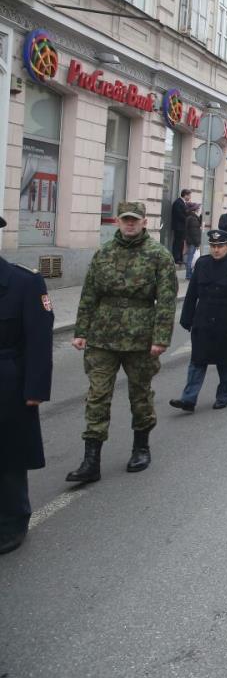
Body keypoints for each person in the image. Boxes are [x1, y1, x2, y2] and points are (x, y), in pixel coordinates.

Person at [67, 201, 177, 482]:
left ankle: (141, 447)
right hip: (102, 337)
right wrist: (81, 331)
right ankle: (91, 460)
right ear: (117, 221)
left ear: (144, 222)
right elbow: (89, 294)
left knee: (140, 396)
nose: (130, 224)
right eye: (125, 219)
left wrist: (161, 338)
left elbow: (165, 301)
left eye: (135, 220)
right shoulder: (103, 253)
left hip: (141, 339)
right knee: (97, 396)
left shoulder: (158, 255)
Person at [0, 214, 53, 554]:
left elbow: (38, 340)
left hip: (7, 383)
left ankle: (13, 521)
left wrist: (35, 389)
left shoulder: (23, 282)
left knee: (8, 458)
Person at [169, 230, 227, 412]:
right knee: (197, 361)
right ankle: (188, 399)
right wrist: (187, 317)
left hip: (226, 321)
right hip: (203, 319)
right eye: (213, 246)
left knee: (225, 362)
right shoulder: (202, 263)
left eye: (220, 246)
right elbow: (192, 294)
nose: (216, 250)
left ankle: (224, 395)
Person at [171, 188, 191, 265]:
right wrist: (187, 219)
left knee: (181, 242)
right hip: (178, 226)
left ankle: (180, 258)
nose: (189, 197)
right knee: (177, 243)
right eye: (189, 195)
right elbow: (179, 215)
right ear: (185, 195)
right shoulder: (178, 202)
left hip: (182, 226)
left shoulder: (183, 203)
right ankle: (176, 258)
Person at [183, 201, 202, 279]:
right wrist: (197, 243)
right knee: (190, 258)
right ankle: (189, 274)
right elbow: (194, 232)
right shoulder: (193, 219)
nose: (198, 209)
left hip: (190, 240)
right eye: (198, 208)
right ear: (194, 210)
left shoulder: (190, 217)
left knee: (190, 258)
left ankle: (188, 274)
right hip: (192, 241)